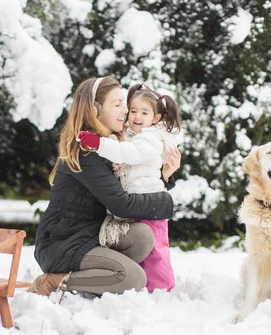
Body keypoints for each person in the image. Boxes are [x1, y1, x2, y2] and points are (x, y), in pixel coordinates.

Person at [28, 76, 180, 297]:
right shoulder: (86, 150)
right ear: (95, 110)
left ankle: (100, 279)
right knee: (134, 278)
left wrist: (163, 178)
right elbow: (122, 204)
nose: (125, 112)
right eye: (117, 105)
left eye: (124, 105)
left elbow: (129, 183)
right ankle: (55, 281)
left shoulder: (109, 145)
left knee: (142, 236)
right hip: (64, 243)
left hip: (90, 234)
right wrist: (166, 201)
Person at [76, 83, 183, 292]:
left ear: (156, 118)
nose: (136, 116)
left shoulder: (149, 139)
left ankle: (161, 287)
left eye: (144, 112)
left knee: (155, 249)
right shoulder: (132, 136)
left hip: (148, 203)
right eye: (133, 111)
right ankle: (142, 284)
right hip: (139, 201)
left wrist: (98, 144)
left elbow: (126, 153)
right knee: (144, 245)